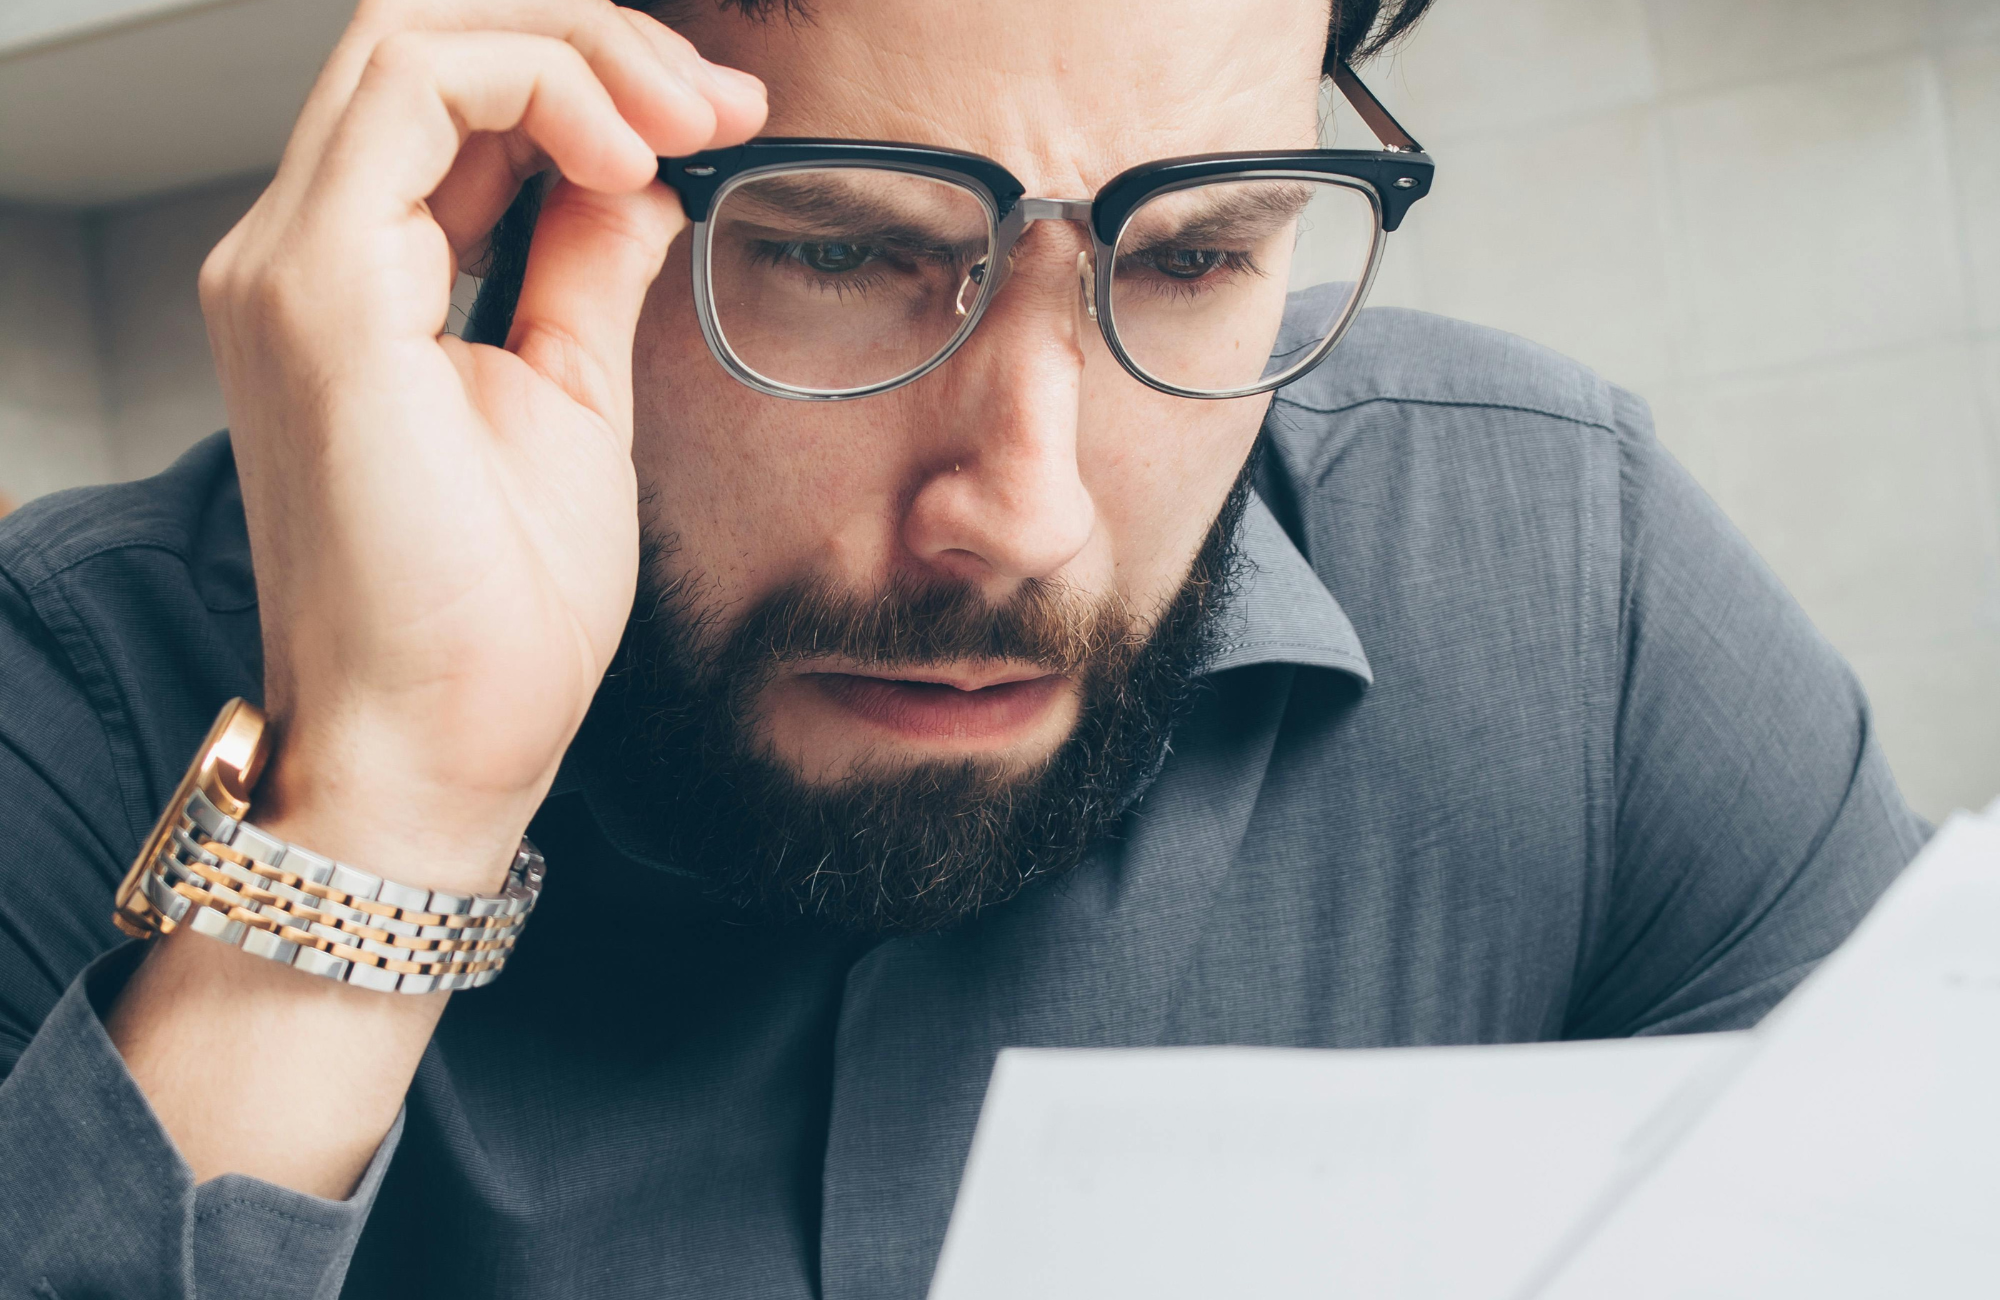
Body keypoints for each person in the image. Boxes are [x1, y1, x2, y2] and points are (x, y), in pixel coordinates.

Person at [0, 0, 1925, 1295]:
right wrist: (385, 811)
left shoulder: (1566, 579)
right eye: (840, 250)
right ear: (516, 183)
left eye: (1196, 256)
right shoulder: (75, 705)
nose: (1027, 514)